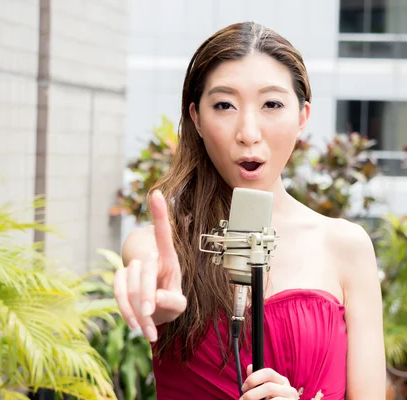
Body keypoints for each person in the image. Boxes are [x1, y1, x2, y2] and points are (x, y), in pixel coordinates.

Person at [113, 21, 386, 400]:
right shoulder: (159, 247)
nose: (248, 131)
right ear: (196, 118)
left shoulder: (346, 246)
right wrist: (154, 299)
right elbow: (154, 275)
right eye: (224, 105)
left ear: (303, 117)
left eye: (272, 104)